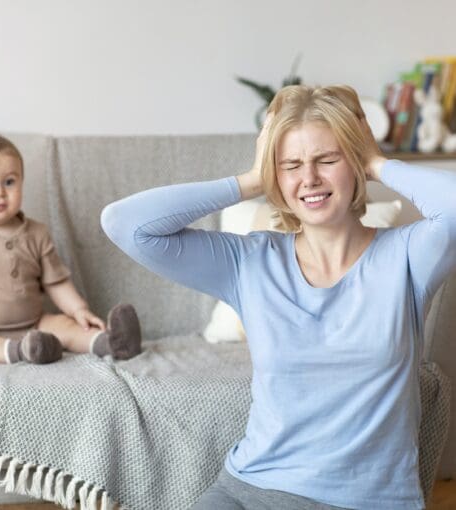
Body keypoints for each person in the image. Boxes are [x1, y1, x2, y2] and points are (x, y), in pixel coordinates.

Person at [100, 85, 456, 509]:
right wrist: (252, 178)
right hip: (250, 492)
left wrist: (377, 161)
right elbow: (125, 224)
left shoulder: (407, 257)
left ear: (354, 161)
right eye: (291, 165)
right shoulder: (250, 261)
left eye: (328, 159)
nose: (309, 179)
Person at [0, 133, 142, 365]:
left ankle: (112, 343)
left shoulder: (37, 233)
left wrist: (79, 310)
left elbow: (55, 282)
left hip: (34, 324)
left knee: (65, 326)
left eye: (9, 181)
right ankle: (22, 351)